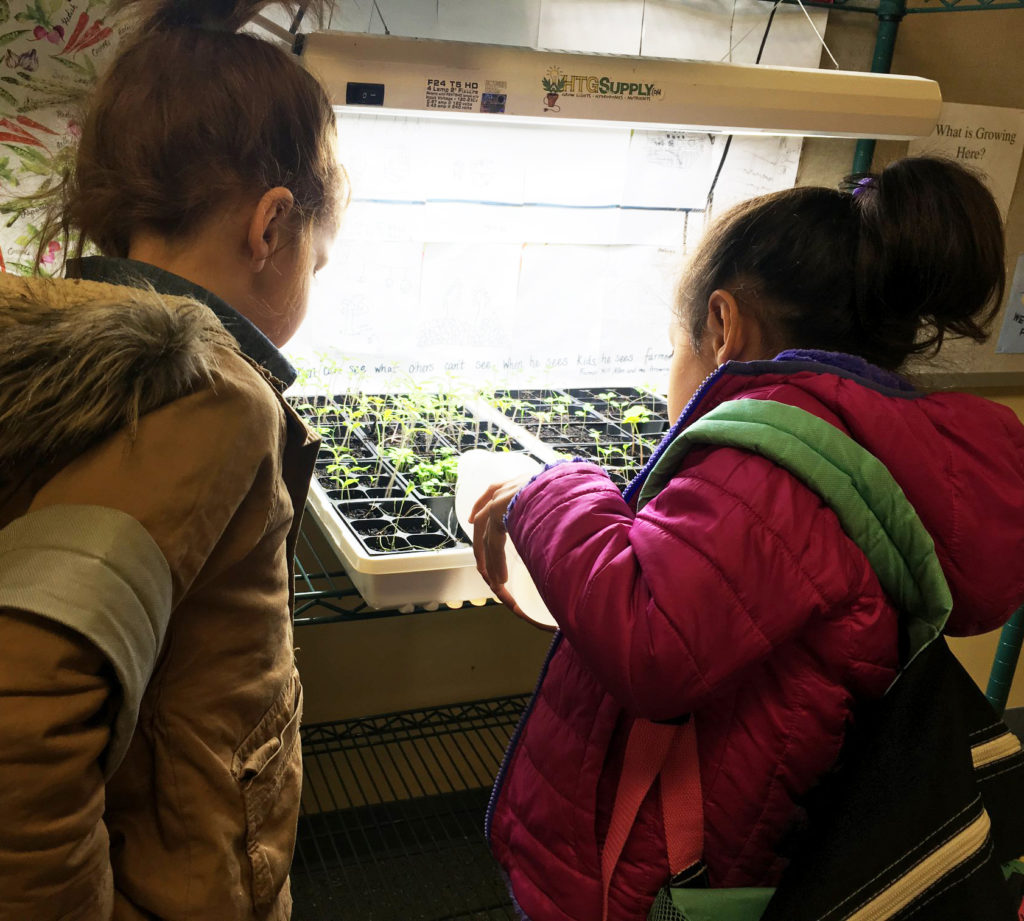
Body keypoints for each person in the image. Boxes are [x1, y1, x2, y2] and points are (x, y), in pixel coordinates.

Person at [470, 156, 1024, 921]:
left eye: (678, 342)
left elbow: (650, 633)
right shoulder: (862, 452)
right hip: (753, 838)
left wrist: (550, 487)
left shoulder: (772, 466)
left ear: (724, 327)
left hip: (667, 881)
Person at [0, 2, 346, 919]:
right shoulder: (203, 399)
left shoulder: (69, 338)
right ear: (272, 227)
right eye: (320, 251)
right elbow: (22, 715)